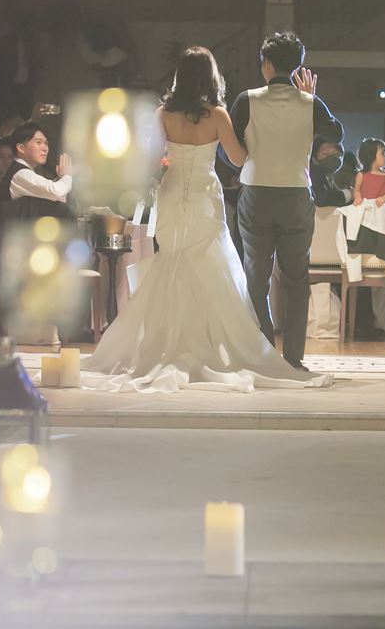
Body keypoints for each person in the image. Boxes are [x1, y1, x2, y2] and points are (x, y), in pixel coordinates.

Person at [81, 46, 332, 393]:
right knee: (211, 265)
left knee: (172, 261)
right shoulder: (218, 115)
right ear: (211, 77)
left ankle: (168, 342)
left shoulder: (162, 114)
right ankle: (213, 345)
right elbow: (238, 159)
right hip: (205, 195)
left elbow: (149, 161)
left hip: (172, 194)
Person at [231, 31, 344, 371]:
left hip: (256, 193)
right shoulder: (311, 104)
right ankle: (293, 356)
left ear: (266, 64)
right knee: (296, 278)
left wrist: (247, 160)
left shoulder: (247, 100)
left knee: (256, 276)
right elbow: (337, 134)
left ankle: (263, 351)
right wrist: (310, 99)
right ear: (297, 67)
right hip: (296, 194)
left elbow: (228, 150)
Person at [0, 122, 74, 223]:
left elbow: (58, 199)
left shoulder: (25, 172)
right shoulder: (20, 174)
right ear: (21, 148)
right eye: (38, 142)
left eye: (46, 143)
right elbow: (55, 191)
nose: (44, 148)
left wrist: (62, 179)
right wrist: (67, 176)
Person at [353, 138, 385, 207]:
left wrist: (384, 198)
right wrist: (358, 198)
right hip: (367, 207)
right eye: (383, 153)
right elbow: (357, 190)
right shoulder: (361, 175)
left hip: (384, 207)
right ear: (371, 156)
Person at [310, 137, 352, 207]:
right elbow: (322, 198)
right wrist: (350, 194)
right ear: (314, 159)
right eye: (325, 154)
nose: (331, 158)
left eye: (335, 153)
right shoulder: (312, 176)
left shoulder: (329, 179)